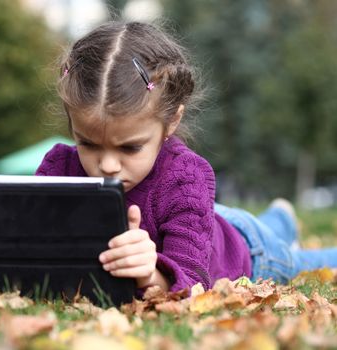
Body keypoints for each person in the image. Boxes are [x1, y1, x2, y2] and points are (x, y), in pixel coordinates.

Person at [35, 21, 337, 294]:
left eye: (129, 148)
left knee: (300, 262)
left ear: (172, 121)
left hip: (248, 248)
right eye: (88, 143)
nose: (108, 166)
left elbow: (193, 279)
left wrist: (151, 274)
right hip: (209, 219)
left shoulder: (185, 176)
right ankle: (280, 217)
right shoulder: (59, 169)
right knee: (255, 222)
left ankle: (279, 221)